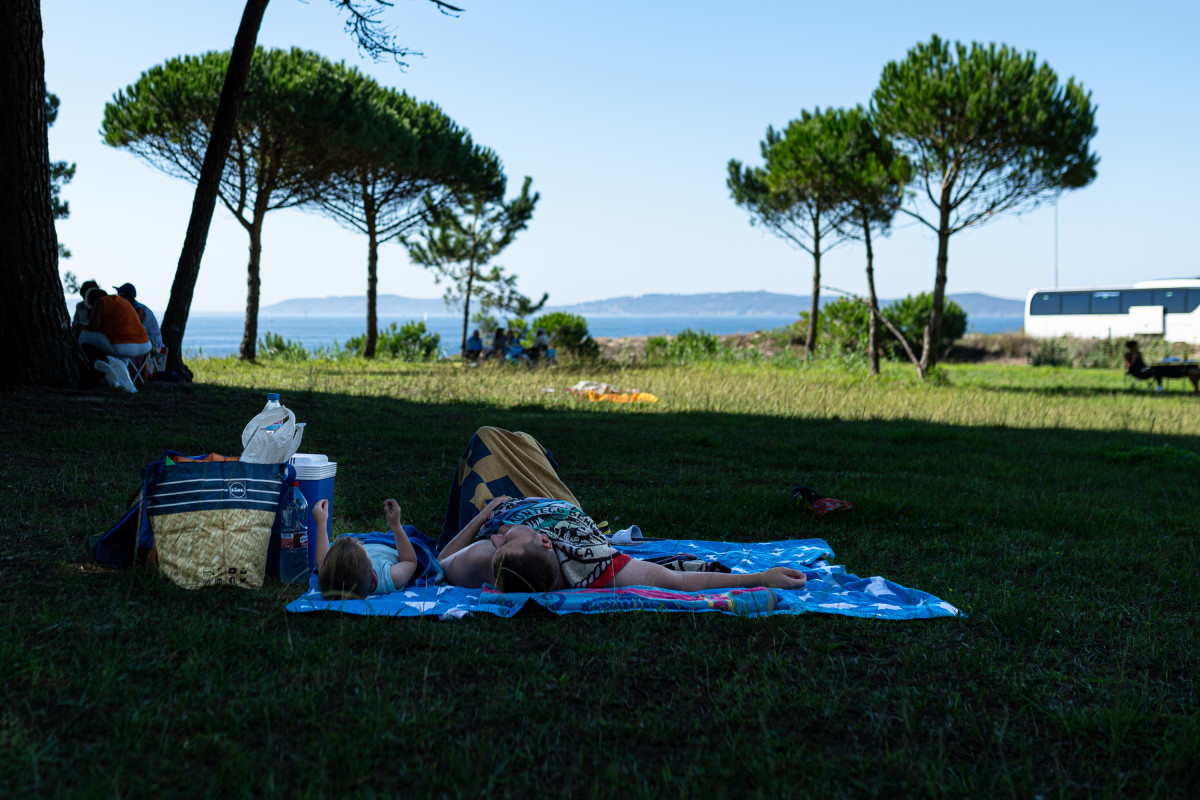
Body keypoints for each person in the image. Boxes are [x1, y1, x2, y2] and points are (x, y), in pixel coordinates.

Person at [437, 494, 807, 594]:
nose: (499, 533)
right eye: (505, 537)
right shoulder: (599, 569)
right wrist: (761, 577)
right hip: (549, 493)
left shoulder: (488, 558)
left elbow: (441, 559)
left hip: (501, 495)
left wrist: (486, 512)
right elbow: (677, 582)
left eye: (502, 538)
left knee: (486, 437)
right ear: (547, 542)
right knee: (506, 439)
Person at [311, 497, 440, 598]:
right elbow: (410, 561)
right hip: (392, 545)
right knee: (413, 536)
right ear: (374, 577)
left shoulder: (332, 575)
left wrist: (322, 523)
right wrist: (396, 525)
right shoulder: (389, 577)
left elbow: (323, 562)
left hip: (375, 544)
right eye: (363, 550)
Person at [78, 287, 151, 363]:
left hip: (127, 346)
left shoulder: (100, 301)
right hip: (145, 344)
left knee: (83, 335)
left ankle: (89, 364)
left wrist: (81, 326)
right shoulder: (120, 301)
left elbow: (94, 327)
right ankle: (120, 368)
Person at [1124, 340, 1200, 393]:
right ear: (1132, 347)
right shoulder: (1127, 355)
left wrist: (1147, 366)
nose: (1137, 347)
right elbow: (1129, 367)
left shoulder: (1138, 353)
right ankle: (1159, 387)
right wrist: (1134, 359)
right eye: (1136, 346)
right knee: (1157, 369)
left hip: (1144, 369)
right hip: (1136, 372)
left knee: (1158, 368)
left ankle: (1160, 386)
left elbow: (1143, 364)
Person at [114, 282, 164, 351]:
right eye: (118, 294)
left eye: (121, 294)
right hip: (146, 342)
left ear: (129, 297)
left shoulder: (139, 310)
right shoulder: (130, 308)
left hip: (154, 344)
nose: (118, 297)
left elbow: (132, 328)